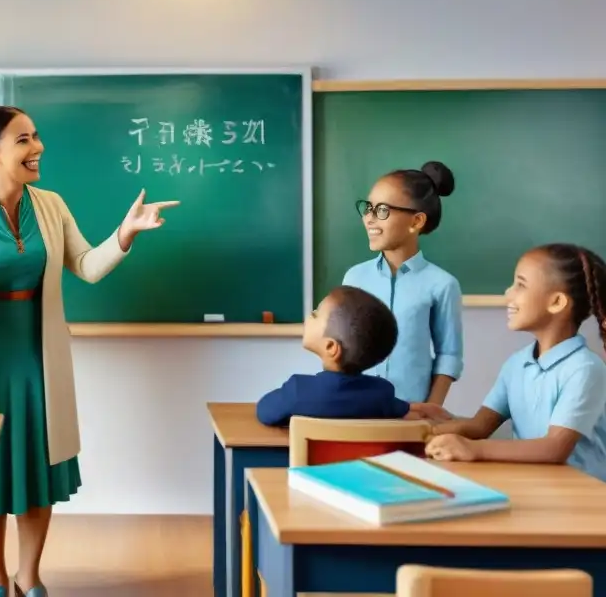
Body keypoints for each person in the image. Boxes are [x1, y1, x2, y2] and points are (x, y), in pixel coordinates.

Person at [0, 105, 178, 597]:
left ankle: (29, 574)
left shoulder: (52, 205)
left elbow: (86, 265)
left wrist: (126, 234)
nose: (37, 148)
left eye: (36, 136)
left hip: (39, 358)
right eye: (23, 139)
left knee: (39, 466)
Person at [426, 245, 606, 482]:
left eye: (520, 285)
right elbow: (479, 426)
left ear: (557, 302)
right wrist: (427, 427)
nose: (508, 294)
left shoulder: (585, 370)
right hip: (537, 486)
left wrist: (473, 449)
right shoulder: (517, 364)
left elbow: (555, 448)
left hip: (585, 497)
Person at [343, 161, 463, 405]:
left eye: (382, 210)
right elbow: (341, 347)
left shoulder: (442, 284)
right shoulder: (354, 278)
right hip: (355, 410)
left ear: (416, 221)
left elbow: (449, 355)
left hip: (411, 412)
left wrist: (431, 410)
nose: (369, 218)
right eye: (368, 208)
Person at [257, 285, 445, 425]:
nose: (308, 317)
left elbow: (265, 410)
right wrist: (410, 407)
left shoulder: (298, 391)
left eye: (315, 314)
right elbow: (395, 408)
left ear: (331, 347)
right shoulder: (381, 394)